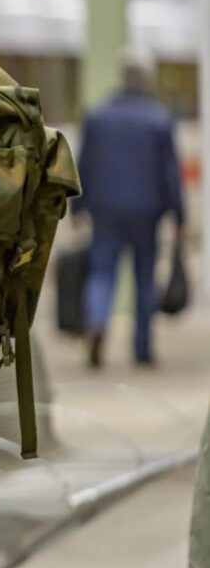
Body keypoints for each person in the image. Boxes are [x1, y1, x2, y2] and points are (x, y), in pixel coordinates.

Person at [76, 44, 184, 368]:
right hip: (146, 212)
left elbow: (85, 165)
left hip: (105, 209)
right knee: (144, 279)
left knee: (102, 272)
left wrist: (76, 208)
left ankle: (96, 321)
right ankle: (141, 348)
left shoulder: (97, 116)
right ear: (148, 79)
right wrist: (180, 216)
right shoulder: (159, 120)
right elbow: (170, 174)